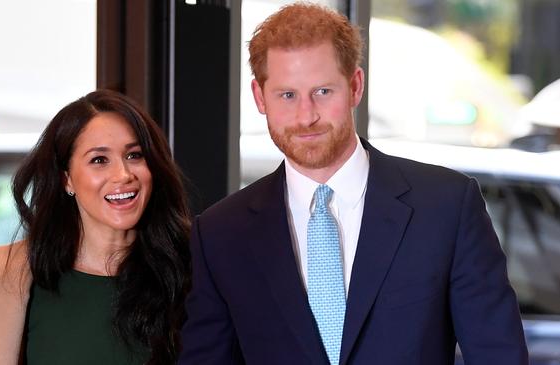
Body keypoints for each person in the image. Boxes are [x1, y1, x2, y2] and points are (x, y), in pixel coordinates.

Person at [179, 3, 528, 365]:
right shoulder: (221, 234)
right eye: (287, 95)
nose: (306, 116)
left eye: (323, 92)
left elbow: (499, 355)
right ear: (258, 97)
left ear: (355, 86)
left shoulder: (446, 207)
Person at [0, 89, 191, 364]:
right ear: (67, 180)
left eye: (134, 155)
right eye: (99, 160)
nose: (123, 174)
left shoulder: (189, 269)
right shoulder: (6, 273)